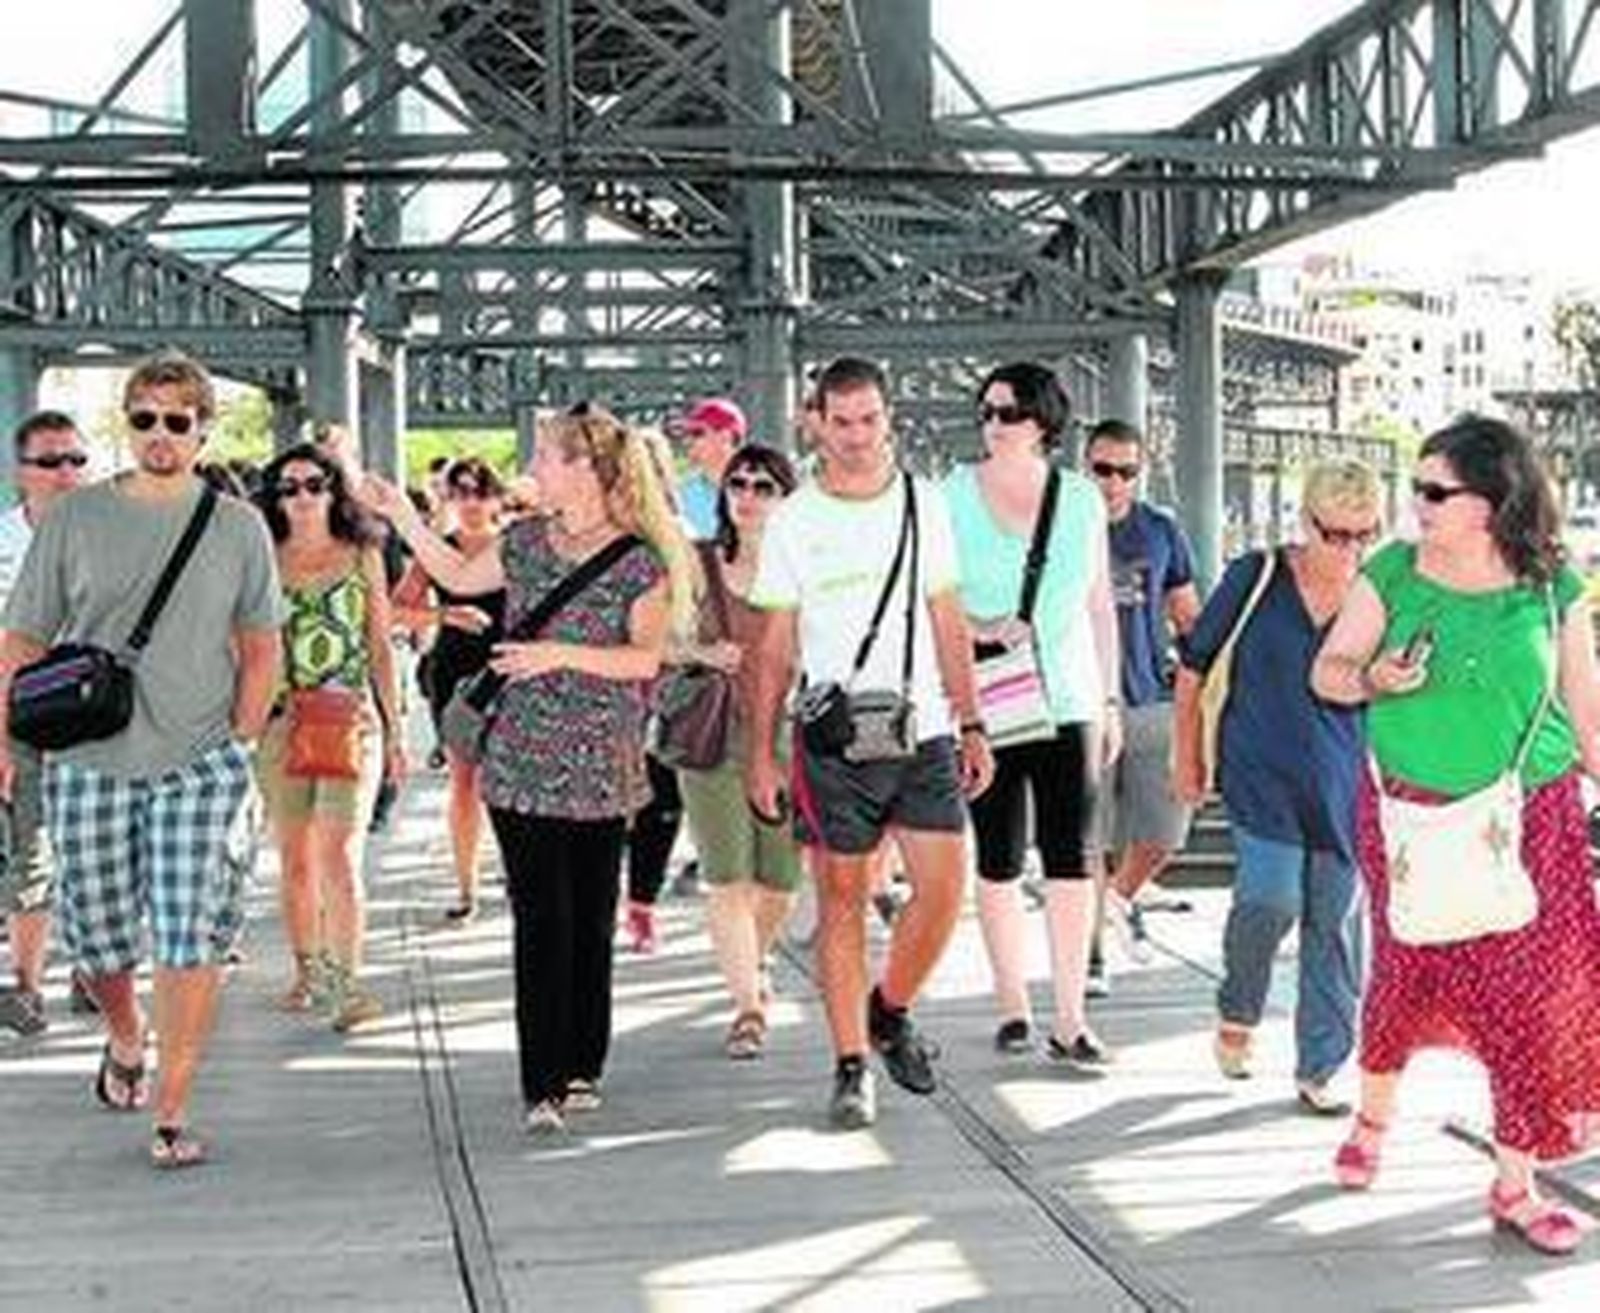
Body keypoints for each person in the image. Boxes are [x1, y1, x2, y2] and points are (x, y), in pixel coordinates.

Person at [360, 405, 691, 1136]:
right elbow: (451, 571)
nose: (533, 467)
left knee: (589, 915)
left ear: (586, 468)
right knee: (541, 915)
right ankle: (541, 1078)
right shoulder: (524, 542)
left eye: (545, 455)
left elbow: (646, 658)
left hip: (602, 759)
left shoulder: (643, 558)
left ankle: (583, 1061)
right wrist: (402, 517)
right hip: (519, 756)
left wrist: (559, 654)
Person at [1312, 416, 1600, 1256]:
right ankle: (1373, 1115)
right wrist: (1373, 677)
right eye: (1418, 487)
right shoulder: (1394, 570)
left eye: (1437, 491)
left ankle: (1515, 1182)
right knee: (1407, 970)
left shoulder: (1552, 585)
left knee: (1527, 994)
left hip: (1530, 816)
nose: (1419, 504)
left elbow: (1585, 709)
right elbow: (1326, 673)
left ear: (1493, 499)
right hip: (1410, 816)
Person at [0, 351, 281, 1169]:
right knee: (99, 940)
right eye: (146, 418)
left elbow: (261, 645)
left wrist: (241, 736)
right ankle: (127, 1035)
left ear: (203, 428)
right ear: (129, 422)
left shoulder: (236, 526)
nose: (161, 434)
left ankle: (172, 1105)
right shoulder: (76, 519)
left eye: (178, 420)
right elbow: (21, 637)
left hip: (201, 759)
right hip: (88, 755)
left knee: (190, 933)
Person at [747, 356, 994, 1130]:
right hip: (832, 737)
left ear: (890, 420)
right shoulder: (794, 519)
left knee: (945, 890)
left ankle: (890, 1008)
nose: (857, 436)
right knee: (843, 900)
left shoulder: (925, 504)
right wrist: (760, 750)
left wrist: (973, 716)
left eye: (870, 420)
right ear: (816, 422)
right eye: (842, 421)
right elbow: (775, 645)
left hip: (922, 730)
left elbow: (950, 618)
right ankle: (852, 1061)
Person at [1173, 460, 1379, 1114]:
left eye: (1362, 535)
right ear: (1306, 521)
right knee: (1270, 896)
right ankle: (1239, 1004)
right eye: (1335, 533)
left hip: (1344, 781)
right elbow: (1193, 666)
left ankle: (1320, 1065)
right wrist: (1186, 756)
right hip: (1260, 769)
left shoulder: (1379, 594)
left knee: (1335, 923)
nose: (1348, 549)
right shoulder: (1256, 576)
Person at [944, 363, 1122, 1065]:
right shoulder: (952, 494)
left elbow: (1098, 605)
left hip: (1069, 696)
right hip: (987, 697)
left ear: (1044, 422)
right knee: (996, 853)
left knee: (1071, 857)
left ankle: (1071, 1016)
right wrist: (981, 623)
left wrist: (1109, 699)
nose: (994, 423)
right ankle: (1013, 1000)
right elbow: (934, 596)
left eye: (1010, 412)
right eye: (986, 410)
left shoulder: (1080, 500)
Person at [254, 443, 403, 1030]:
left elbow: (382, 645)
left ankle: (348, 985)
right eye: (287, 488)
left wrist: (394, 730)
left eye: (314, 484)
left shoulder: (363, 552)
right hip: (281, 723)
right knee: (294, 859)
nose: (302, 497)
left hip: (349, 720)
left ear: (334, 489)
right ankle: (307, 969)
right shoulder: (261, 557)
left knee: (339, 855)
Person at [677, 445, 803, 1058]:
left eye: (763, 486)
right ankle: (748, 1007)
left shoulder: (806, 571)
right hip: (714, 737)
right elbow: (653, 640)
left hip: (787, 739)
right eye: (738, 485)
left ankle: (753, 960)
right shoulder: (697, 564)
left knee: (780, 881)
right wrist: (701, 653)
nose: (748, 497)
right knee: (728, 880)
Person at [1087, 419, 1201, 959]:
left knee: (1165, 831)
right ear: (1084, 467)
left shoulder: (1160, 530)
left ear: (1140, 474)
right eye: (1102, 469)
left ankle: (1115, 900)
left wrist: (1204, 690)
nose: (1112, 481)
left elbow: (1187, 614)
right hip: (1082, 707)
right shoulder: (1060, 530)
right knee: (1087, 840)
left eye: (1125, 471)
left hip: (1150, 698)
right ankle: (1089, 954)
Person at [0, 411, 89, 1036]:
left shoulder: (113, 537)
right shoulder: (2, 544)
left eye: (76, 460)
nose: (67, 473)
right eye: (51, 461)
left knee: (100, 854)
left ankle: (92, 970)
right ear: (20, 472)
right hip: (23, 718)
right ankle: (28, 988)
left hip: (101, 718)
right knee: (30, 854)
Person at [392, 457, 504, 923]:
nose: (471, 502)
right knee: (464, 782)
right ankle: (466, 886)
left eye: (480, 492)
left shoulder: (516, 546)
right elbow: (397, 609)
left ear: (496, 498)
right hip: (456, 670)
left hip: (511, 666)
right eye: (461, 492)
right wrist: (445, 616)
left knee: (512, 780)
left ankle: (513, 871)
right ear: (449, 498)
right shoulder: (438, 549)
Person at [676, 397, 746, 540]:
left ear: (725, 437)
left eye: (697, 433)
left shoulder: (764, 491)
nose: (687, 441)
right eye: (687, 434)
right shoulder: (679, 493)